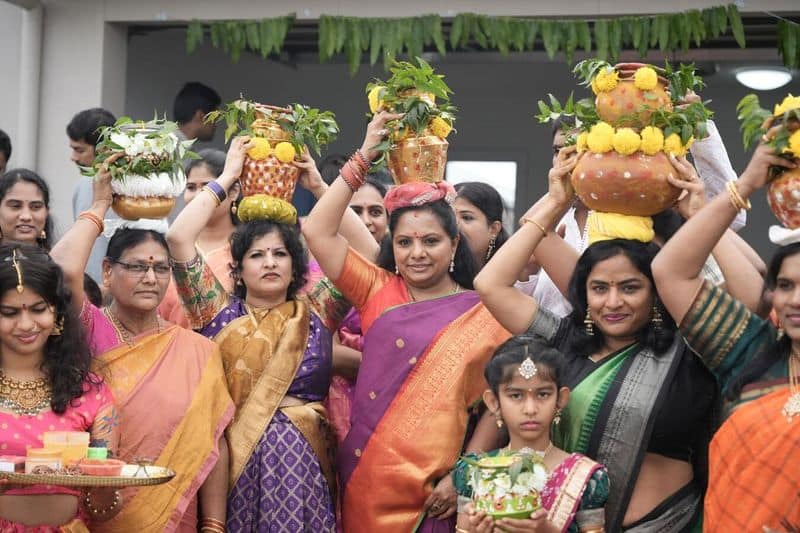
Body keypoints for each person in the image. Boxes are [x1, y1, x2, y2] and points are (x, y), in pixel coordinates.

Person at [474, 147, 721, 531]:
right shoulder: (567, 340)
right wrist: (560, 198)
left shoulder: (686, 351)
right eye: (600, 288)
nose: (614, 302)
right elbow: (489, 284)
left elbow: (751, 299)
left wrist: (703, 216)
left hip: (666, 523)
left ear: (656, 291)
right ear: (583, 294)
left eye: (630, 287)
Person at [302, 111, 511, 532]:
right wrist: (363, 156)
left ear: (454, 244)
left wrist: (463, 471)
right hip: (366, 480)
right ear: (391, 246)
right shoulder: (377, 289)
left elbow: (497, 402)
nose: (417, 253)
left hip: (437, 493)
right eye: (405, 242)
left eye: (431, 241)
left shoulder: (484, 310)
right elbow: (319, 231)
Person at [166, 137, 378, 532]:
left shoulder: (316, 310)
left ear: (295, 264)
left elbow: (371, 255)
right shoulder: (215, 311)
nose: (269, 263)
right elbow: (179, 238)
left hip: (306, 463)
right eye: (257, 255)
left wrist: (318, 186)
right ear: (238, 266)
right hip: (234, 462)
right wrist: (227, 178)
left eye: (280, 254)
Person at [50, 164, 234, 533]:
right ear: (106, 271)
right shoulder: (88, 328)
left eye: (161, 269)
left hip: (171, 514)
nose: (151, 279)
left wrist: (213, 525)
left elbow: (212, 445)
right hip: (89, 514)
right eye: (137, 267)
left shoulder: (197, 350)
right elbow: (59, 270)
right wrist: (100, 204)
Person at [651, 137, 800, 530]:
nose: (795, 300)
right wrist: (745, 183)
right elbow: (671, 272)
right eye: (785, 286)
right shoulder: (752, 351)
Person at [0, 244, 120, 531]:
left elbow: (103, 509)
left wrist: (104, 489)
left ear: (57, 313)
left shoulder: (90, 392)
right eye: (9, 312)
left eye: (39, 309)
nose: (26, 324)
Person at [453, 337, 608, 533]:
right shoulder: (472, 473)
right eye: (516, 395)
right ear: (493, 402)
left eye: (543, 394)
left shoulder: (586, 477)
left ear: (561, 399)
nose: (530, 409)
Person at [327, 175, 390, 444]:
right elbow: (320, 352)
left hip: (390, 403)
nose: (366, 221)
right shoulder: (317, 274)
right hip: (331, 402)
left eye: (376, 212)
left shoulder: (403, 274)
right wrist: (386, 366)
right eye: (355, 211)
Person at [158, 149, 239, 327]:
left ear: (233, 192)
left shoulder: (248, 249)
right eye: (191, 187)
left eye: (207, 187)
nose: (198, 196)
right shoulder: (164, 249)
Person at [67, 107, 117, 285]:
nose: (73, 157)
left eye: (79, 150)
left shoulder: (134, 190)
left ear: (104, 149)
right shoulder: (81, 186)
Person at [454, 181, 509, 268]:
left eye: (467, 217)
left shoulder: (515, 274)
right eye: (449, 217)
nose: (454, 224)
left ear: (494, 229)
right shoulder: (431, 275)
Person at [0, 169, 54, 249]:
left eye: (36, 207)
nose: (26, 216)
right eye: (15, 206)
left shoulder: (60, 259)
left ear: (47, 212)